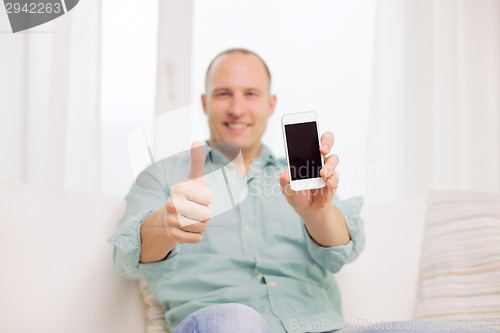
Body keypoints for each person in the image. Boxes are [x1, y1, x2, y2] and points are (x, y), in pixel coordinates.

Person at [110, 48, 365, 333]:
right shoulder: (163, 175)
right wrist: (165, 225)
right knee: (236, 322)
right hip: (222, 324)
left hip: (321, 326)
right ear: (205, 103)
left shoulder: (302, 179)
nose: (236, 109)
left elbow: (342, 253)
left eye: (251, 94)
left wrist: (319, 214)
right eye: (223, 94)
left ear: (271, 104)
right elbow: (125, 260)